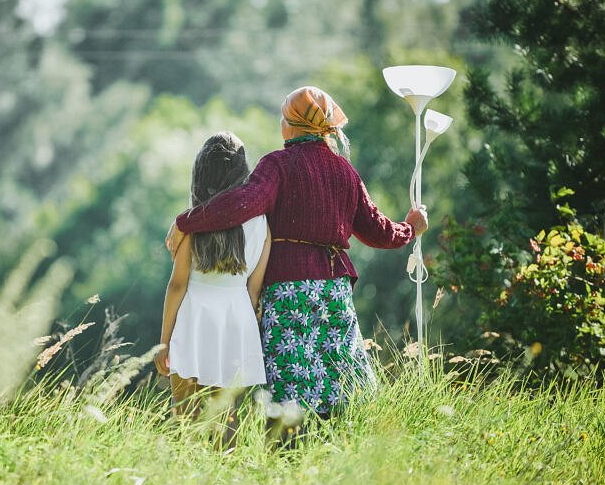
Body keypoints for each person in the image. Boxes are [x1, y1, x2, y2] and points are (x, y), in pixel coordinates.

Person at [166, 86, 428, 426]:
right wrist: (410, 228)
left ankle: (289, 450)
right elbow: (378, 231)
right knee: (339, 378)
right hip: (334, 290)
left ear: (290, 125)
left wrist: (185, 221)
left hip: (288, 290)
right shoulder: (344, 171)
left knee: (290, 382)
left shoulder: (276, 165)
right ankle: (342, 445)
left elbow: (240, 205)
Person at [154, 132, 272, 438]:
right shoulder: (261, 224)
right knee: (226, 421)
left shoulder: (192, 226)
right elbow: (254, 289)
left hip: (194, 318)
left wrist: (164, 343)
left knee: (185, 419)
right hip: (235, 320)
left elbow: (177, 285)